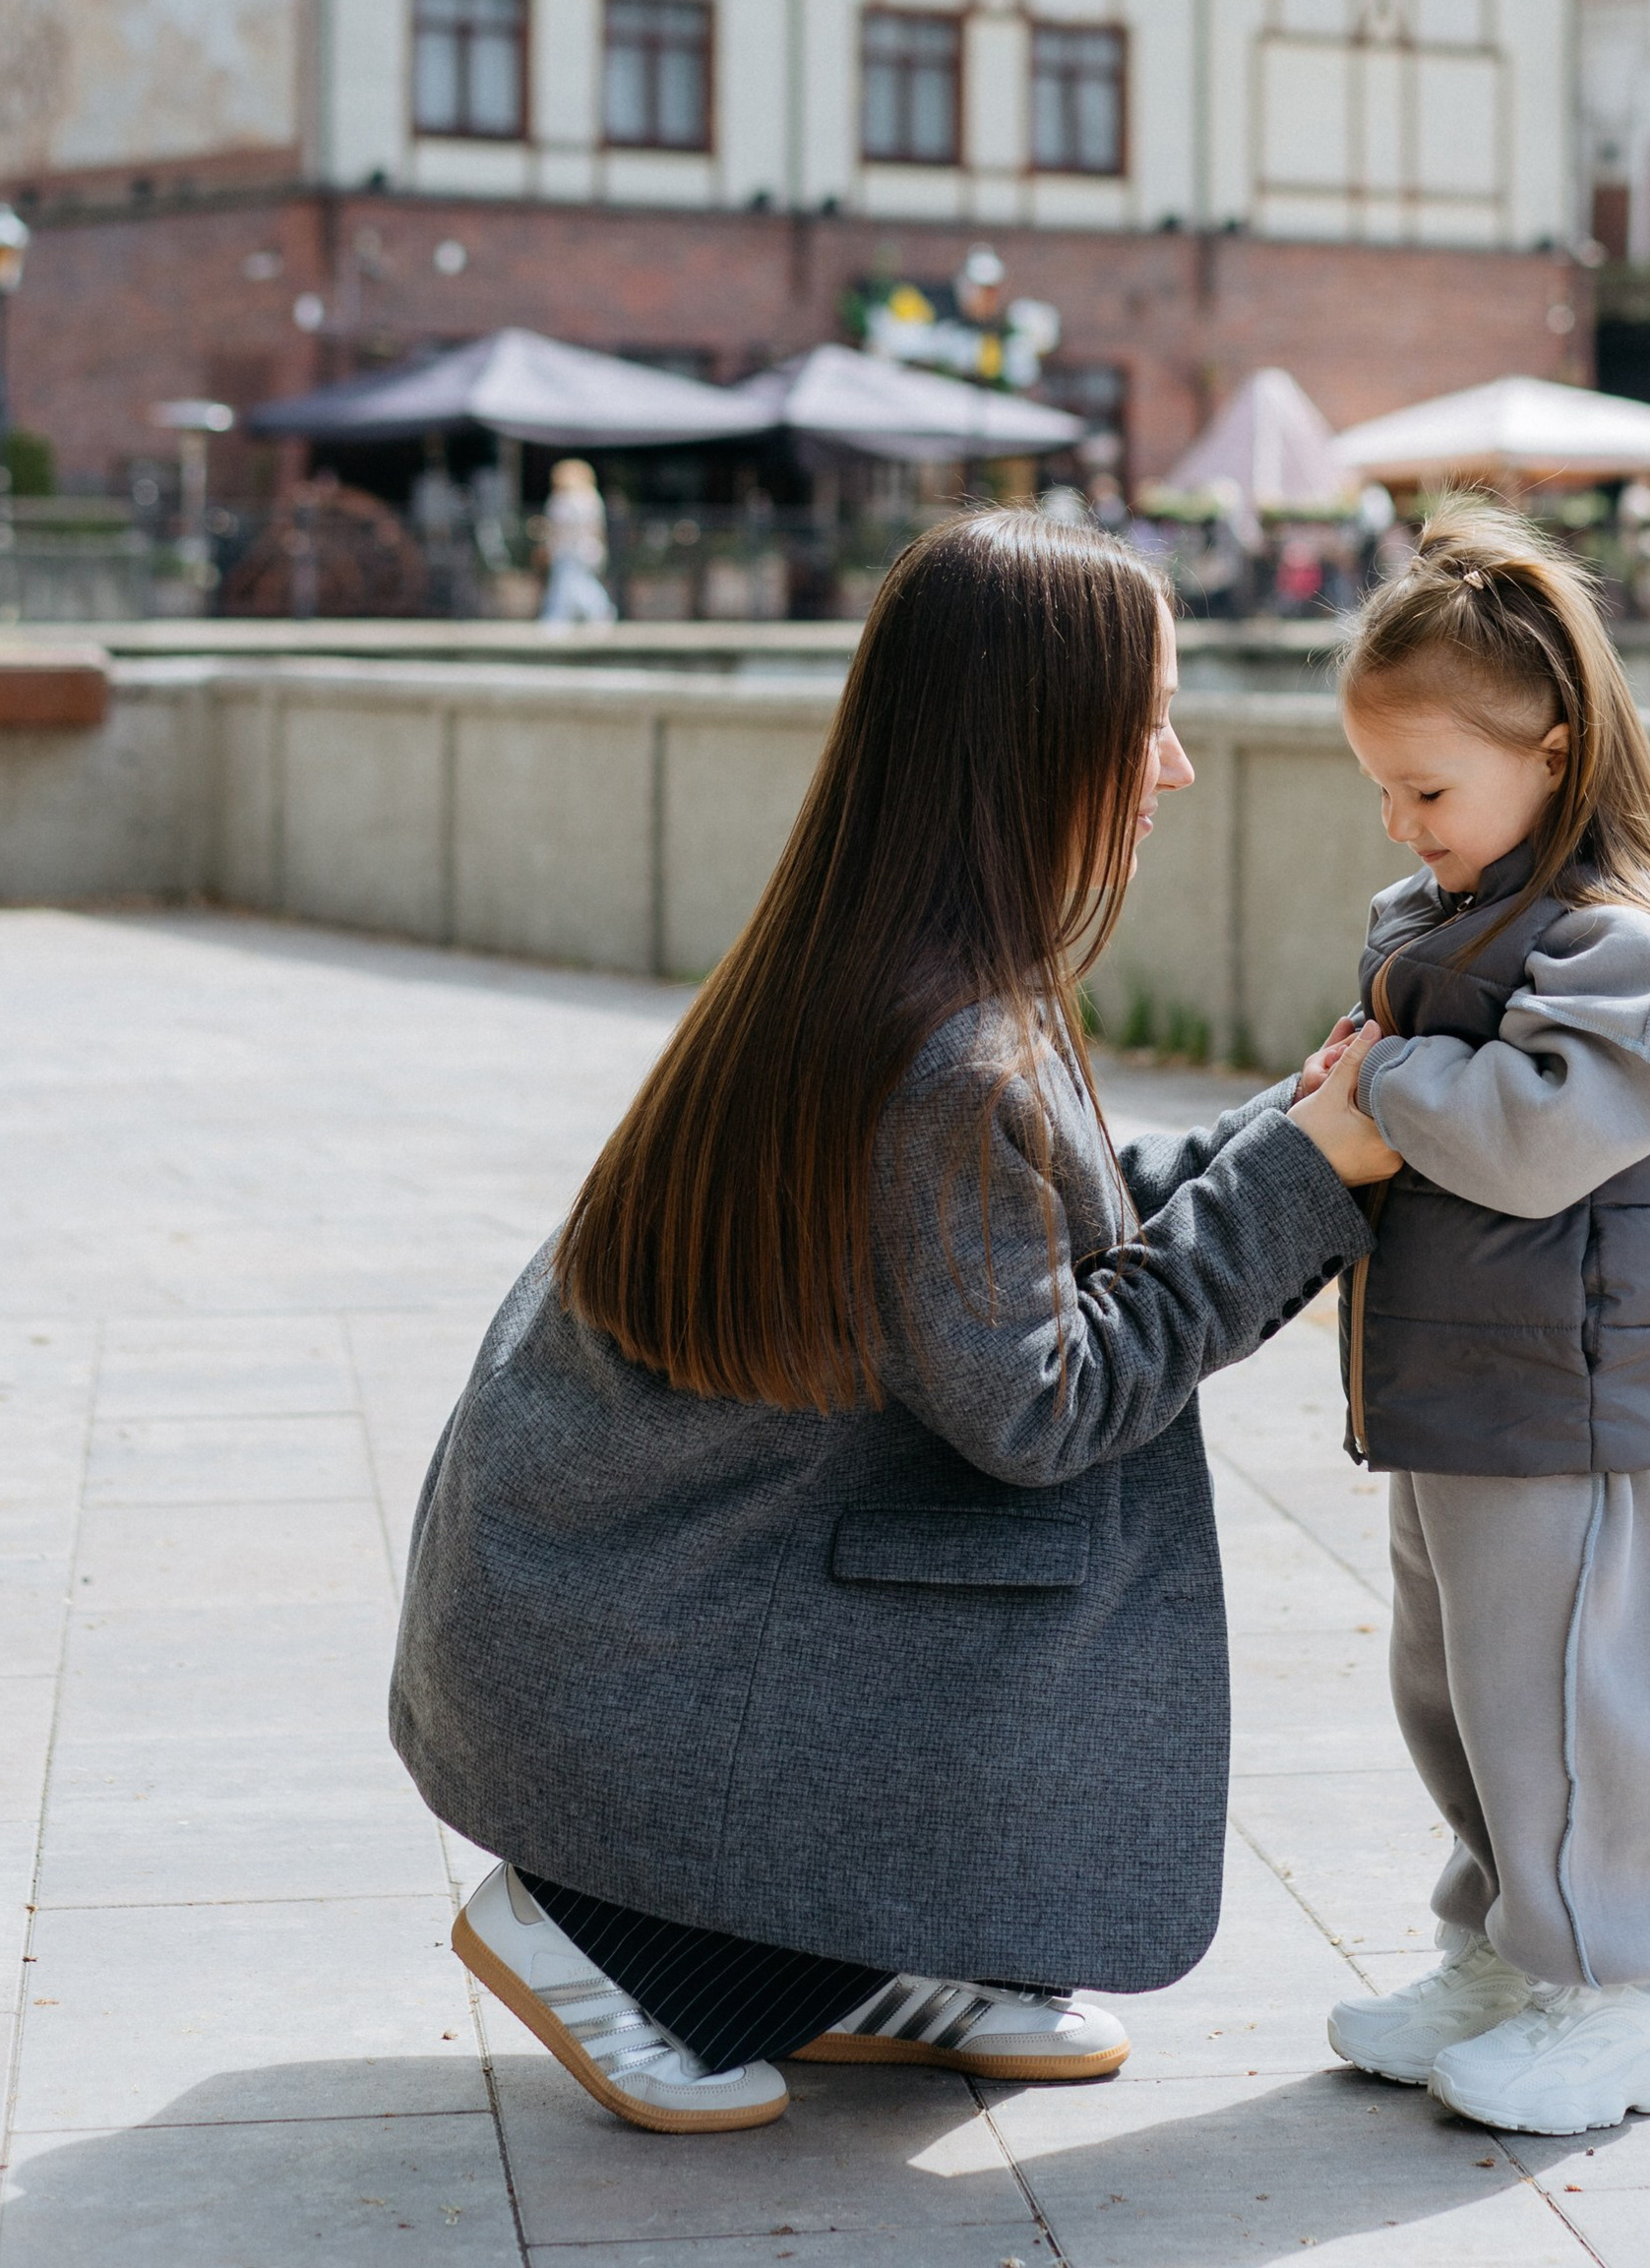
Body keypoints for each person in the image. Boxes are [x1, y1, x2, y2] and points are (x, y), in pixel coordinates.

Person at [389, 511, 1397, 2136]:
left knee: (997, 1568)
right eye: (1147, 722)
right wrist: (1298, 1174)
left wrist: (1287, 1128)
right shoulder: (951, 1051)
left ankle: (855, 1955)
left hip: (596, 1591)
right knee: (1042, 1545)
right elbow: (1045, 1403)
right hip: (628, 1644)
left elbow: (1031, 1234)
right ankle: (588, 1923)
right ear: (1038, 742)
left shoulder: (884, 964)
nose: (1177, 766)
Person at [1300, 503, 1650, 2137]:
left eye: (1428, 788)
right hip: (1465, 1400)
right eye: (1384, 787)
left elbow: (1536, 1134)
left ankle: (1628, 1997)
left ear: (1554, 758)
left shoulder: (1632, 953)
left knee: (1581, 1709)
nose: (1400, 818)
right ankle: (1509, 1957)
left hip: (1582, 1416)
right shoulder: (1449, 927)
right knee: (1467, 1698)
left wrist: (1389, 1081)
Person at [539, 457, 616, 624]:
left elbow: (561, 527)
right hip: (585, 549)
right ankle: (557, 620)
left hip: (572, 549)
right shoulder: (590, 497)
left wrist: (551, 545)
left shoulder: (566, 499)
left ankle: (597, 613)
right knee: (569, 584)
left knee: (575, 584)